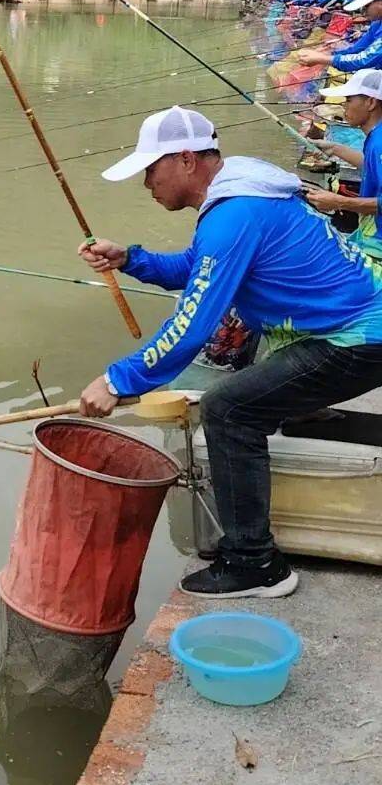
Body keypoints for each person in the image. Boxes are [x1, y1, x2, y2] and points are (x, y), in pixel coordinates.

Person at [77, 104, 382, 600]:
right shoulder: (241, 193)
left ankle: (256, 564)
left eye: (150, 170)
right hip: (362, 315)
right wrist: (131, 258)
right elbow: (196, 269)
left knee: (229, 409)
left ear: (186, 160)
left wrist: (118, 380)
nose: (147, 184)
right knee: (274, 398)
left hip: (358, 335)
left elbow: (192, 326)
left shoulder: (234, 214)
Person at [306, 68, 382, 260]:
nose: (343, 106)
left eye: (349, 100)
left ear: (371, 102)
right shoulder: (375, 138)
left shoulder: (379, 142)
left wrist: (338, 201)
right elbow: (372, 167)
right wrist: (334, 148)